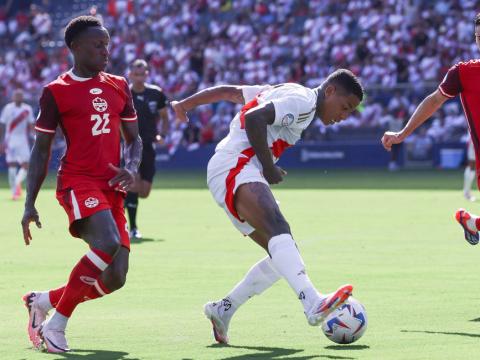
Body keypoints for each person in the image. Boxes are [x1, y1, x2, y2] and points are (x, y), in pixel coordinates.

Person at [172, 69, 364, 344]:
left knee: (282, 255)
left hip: (233, 168)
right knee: (278, 228)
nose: (343, 116)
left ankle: (223, 310)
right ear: (330, 91)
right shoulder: (303, 101)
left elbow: (231, 92)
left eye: (350, 112)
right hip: (235, 163)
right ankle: (312, 302)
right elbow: (254, 118)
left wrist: (184, 104)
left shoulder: (285, 90)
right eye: (345, 107)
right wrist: (269, 165)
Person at [20, 16, 142, 353]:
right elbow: (41, 149)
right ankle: (56, 325)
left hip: (112, 187)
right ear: (74, 47)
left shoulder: (119, 84)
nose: (106, 51)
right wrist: (29, 203)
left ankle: (41, 301)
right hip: (78, 181)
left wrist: (130, 167)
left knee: (116, 276)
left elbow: (134, 139)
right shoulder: (56, 92)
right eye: (98, 45)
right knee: (107, 242)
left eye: (107, 44)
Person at [381, 13, 480, 246]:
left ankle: (472, 223)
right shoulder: (463, 73)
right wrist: (402, 133)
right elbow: (434, 101)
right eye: (478, 37)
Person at [125, 59, 169, 239]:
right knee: (133, 184)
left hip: (149, 146)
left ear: (147, 74)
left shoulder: (156, 93)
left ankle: (121, 198)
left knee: (144, 192)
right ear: (130, 75)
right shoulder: (124, 93)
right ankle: (133, 228)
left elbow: (165, 117)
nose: (139, 77)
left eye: (142, 74)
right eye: (136, 74)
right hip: (129, 145)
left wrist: (162, 136)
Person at [0, 89, 35, 200]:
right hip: (10, 140)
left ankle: (16, 183)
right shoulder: (8, 108)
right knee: (12, 164)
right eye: (16, 95)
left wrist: (34, 137)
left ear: (22, 97)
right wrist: (1, 141)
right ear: (13, 97)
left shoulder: (27, 109)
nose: (18, 97)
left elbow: (31, 125)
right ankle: (14, 192)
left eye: (20, 96)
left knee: (26, 165)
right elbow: (2, 125)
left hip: (23, 140)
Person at [463, 136, 476, 201]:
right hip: (475, 139)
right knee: (472, 166)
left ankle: (466, 192)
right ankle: (466, 193)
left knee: (472, 166)